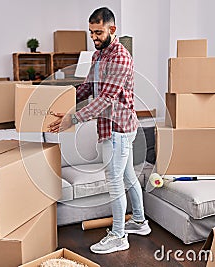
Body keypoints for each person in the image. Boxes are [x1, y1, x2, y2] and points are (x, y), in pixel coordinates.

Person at [48, 7, 151, 254]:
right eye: (91, 32)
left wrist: (72, 118)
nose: (93, 37)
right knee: (127, 177)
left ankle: (118, 236)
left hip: (118, 129)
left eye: (98, 32)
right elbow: (88, 88)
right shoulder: (99, 56)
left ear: (112, 29)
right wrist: (63, 99)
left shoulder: (120, 58)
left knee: (114, 181)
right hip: (112, 128)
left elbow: (105, 98)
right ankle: (139, 222)